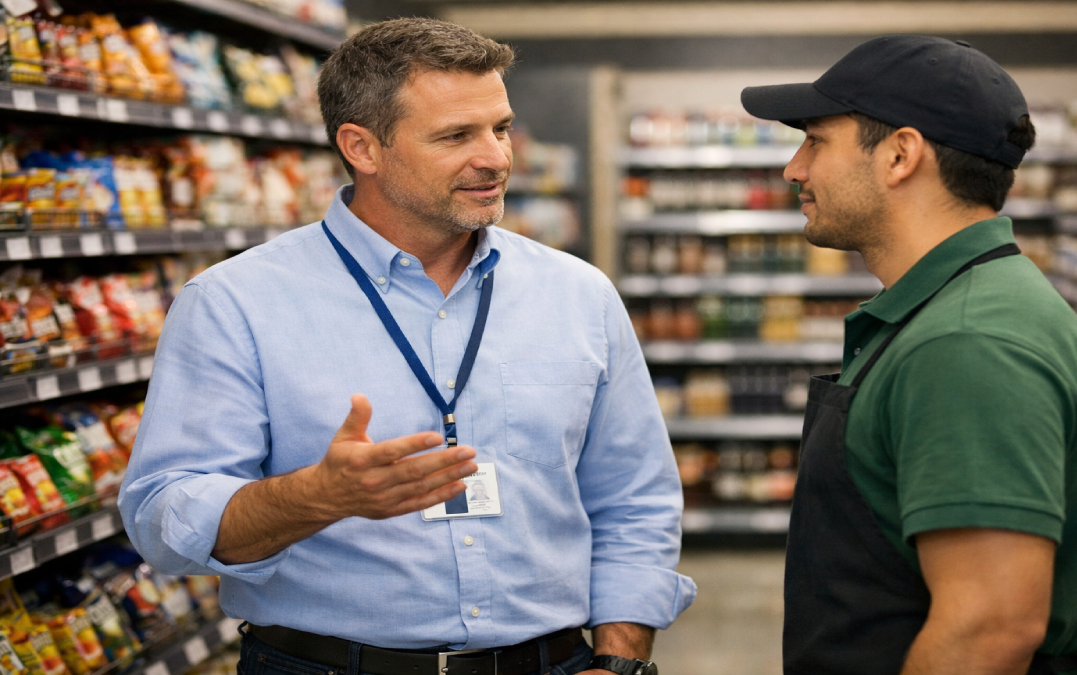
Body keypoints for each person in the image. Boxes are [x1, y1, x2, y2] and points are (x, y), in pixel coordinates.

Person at [119, 18, 693, 675]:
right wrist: (317, 495)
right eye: (456, 135)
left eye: (500, 127)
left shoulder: (579, 295)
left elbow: (633, 499)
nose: (497, 157)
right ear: (361, 147)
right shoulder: (234, 302)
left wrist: (618, 662)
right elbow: (162, 517)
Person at [741, 35, 1077, 675]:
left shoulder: (969, 342)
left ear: (899, 155)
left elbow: (987, 630)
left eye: (815, 139)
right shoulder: (948, 307)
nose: (794, 168)